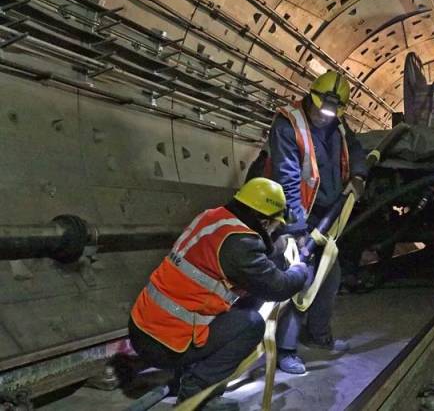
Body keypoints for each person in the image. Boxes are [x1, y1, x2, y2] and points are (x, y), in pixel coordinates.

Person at [128, 178, 314, 411]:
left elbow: (237, 256)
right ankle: (195, 391)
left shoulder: (213, 217)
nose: (275, 230)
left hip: (142, 327)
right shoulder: (241, 245)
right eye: (275, 226)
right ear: (265, 221)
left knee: (237, 303)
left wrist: (274, 247)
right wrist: (300, 269)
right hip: (165, 345)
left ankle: (187, 373)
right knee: (252, 323)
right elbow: (279, 288)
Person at [264, 70, 368, 374]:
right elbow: (288, 179)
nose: (326, 117)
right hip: (293, 214)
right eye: (322, 109)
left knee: (330, 277)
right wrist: (296, 231)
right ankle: (285, 351)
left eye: (333, 112)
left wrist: (359, 175)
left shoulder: (338, 122)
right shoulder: (288, 123)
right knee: (301, 278)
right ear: (311, 97)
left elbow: (357, 149)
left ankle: (318, 335)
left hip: (326, 215)